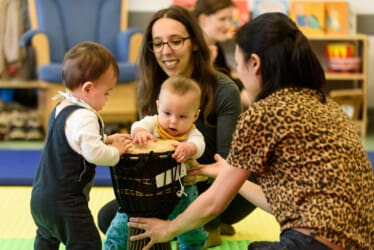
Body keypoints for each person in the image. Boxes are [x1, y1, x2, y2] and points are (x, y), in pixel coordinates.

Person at [127, 12, 374, 250]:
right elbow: (288, 202)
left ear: (254, 63)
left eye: (238, 63)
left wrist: (168, 229)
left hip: (313, 242)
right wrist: (226, 172)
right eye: (158, 44)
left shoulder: (262, 114)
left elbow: (214, 203)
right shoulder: (327, 105)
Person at [98, 4, 256, 248]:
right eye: (158, 43)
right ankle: (192, 226)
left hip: (211, 183)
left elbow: (229, 160)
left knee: (250, 180)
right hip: (165, 187)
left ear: (193, 43)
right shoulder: (150, 87)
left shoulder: (224, 89)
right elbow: (146, 149)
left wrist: (195, 170)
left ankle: (206, 222)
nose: (166, 51)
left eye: (175, 41)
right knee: (109, 218)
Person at [30, 41, 133, 250]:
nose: (107, 99)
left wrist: (107, 139)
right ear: (88, 88)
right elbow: (94, 153)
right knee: (86, 243)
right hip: (66, 202)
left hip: (40, 197)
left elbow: (74, 143)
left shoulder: (61, 107)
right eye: (106, 93)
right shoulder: (85, 115)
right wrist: (116, 152)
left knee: (47, 238)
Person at [104, 75, 208, 250]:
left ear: (195, 115)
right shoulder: (153, 123)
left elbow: (200, 145)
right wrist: (140, 133)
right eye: (167, 113)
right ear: (158, 106)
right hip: (143, 194)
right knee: (122, 225)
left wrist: (189, 148)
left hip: (182, 193)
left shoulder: (192, 133)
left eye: (182, 116)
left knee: (192, 229)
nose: (173, 121)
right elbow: (138, 125)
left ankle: (193, 246)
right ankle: (112, 247)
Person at [194, 0, 251, 109]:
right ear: (203, 19)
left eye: (230, 19)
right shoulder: (194, 50)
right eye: (222, 19)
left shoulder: (216, 46)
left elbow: (226, 78)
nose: (228, 25)